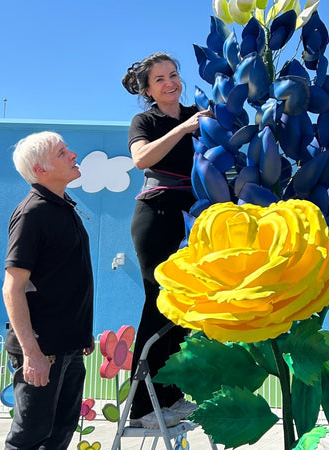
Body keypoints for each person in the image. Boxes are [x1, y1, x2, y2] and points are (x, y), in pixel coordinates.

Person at [122, 52, 211, 429]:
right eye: (159, 79)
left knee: (185, 306)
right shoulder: (146, 120)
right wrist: (181, 129)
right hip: (156, 216)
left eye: (173, 74)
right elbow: (140, 159)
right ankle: (142, 405)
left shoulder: (199, 112)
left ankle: (170, 395)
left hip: (194, 219)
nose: (169, 82)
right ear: (147, 90)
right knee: (160, 302)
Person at [2, 131, 95, 449]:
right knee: (29, 437)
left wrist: (83, 332)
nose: (73, 155)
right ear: (40, 169)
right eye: (62, 152)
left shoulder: (65, 208)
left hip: (70, 348)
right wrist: (32, 353)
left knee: (60, 433)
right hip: (44, 353)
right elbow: (12, 288)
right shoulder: (33, 213)